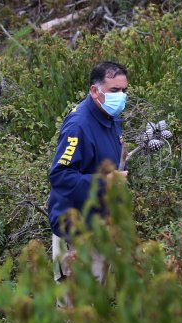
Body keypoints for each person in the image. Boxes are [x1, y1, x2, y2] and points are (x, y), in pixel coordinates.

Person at [47, 62, 129, 286]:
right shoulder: (78, 125)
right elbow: (60, 176)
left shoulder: (110, 117)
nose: (121, 96)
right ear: (95, 91)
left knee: (96, 305)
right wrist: (105, 182)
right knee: (77, 311)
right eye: (114, 91)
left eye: (124, 90)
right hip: (76, 231)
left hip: (99, 225)